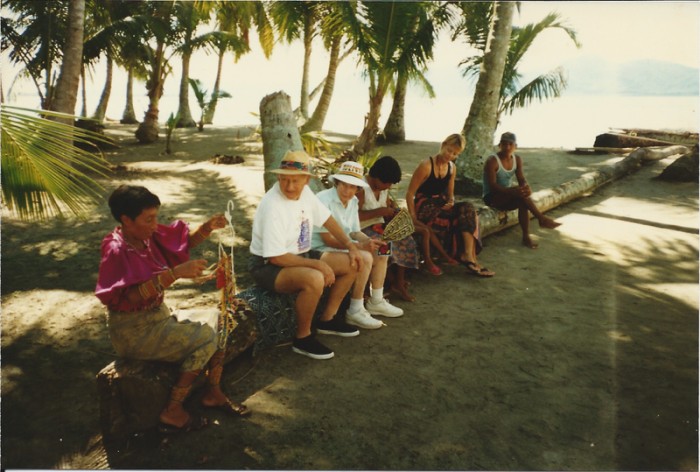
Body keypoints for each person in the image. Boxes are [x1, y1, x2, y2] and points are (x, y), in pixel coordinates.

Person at [95, 185, 250, 435]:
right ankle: (173, 410)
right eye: (149, 219)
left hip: (159, 317)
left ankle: (213, 391)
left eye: (156, 216)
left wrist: (207, 227)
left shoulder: (146, 236)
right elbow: (129, 297)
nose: (156, 224)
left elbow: (182, 244)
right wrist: (175, 274)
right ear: (126, 220)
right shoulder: (115, 249)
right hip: (133, 332)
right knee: (207, 338)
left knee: (220, 320)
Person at [248, 150, 364, 360]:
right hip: (268, 265)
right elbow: (276, 258)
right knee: (315, 278)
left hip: (300, 253)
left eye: (295, 181)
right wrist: (318, 265)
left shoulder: (306, 193)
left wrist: (350, 245)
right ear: (278, 177)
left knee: (356, 261)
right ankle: (302, 338)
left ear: (307, 180)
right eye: (284, 180)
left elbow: (327, 219)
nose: (290, 186)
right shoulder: (272, 205)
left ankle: (327, 320)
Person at [312, 161, 404, 329]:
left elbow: (354, 232)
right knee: (366, 256)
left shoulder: (353, 200)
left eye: (353, 187)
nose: (348, 191)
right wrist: (359, 247)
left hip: (343, 246)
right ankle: (355, 309)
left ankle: (376, 300)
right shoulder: (322, 200)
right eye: (344, 185)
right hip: (319, 250)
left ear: (357, 189)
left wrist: (367, 241)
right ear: (337, 182)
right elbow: (327, 240)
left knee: (382, 249)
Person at [359, 155, 450, 302]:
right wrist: (380, 212)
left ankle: (398, 283)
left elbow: (387, 205)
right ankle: (375, 288)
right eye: (387, 183)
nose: (388, 187)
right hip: (362, 230)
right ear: (376, 177)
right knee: (385, 246)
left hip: (379, 225)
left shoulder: (382, 188)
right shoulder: (361, 189)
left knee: (406, 239)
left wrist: (392, 210)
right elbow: (353, 217)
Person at [406, 133, 495, 277]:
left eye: (455, 154)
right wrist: (412, 216)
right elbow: (410, 193)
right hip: (425, 206)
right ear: (443, 145)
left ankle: (469, 256)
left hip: (440, 203)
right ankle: (467, 258)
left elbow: (450, 194)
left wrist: (451, 202)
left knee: (468, 208)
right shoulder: (426, 165)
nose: (450, 155)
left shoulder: (452, 168)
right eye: (449, 150)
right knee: (452, 219)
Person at [482, 132, 562, 249]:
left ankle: (526, 236)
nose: (507, 147)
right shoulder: (492, 161)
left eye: (510, 144)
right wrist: (512, 191)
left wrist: (525, 187)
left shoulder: (517, 159)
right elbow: (492, 186)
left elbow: (521, 179)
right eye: (504, 144)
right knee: (521, 197)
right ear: (499, 145)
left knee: (522, 199)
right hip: (492, 197)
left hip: (508, 195)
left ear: (516, 146)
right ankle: (541, 219)